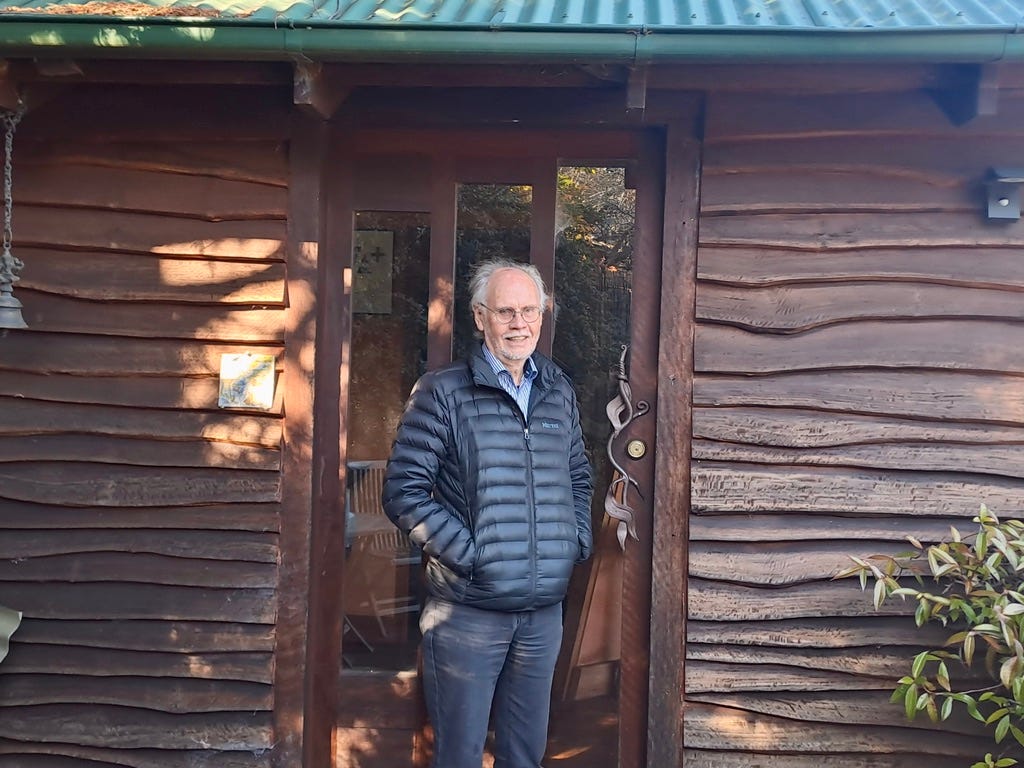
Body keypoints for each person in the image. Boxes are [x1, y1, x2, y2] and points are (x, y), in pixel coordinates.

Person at [382, 258, 594, 768]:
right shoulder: (443, 391)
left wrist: (573, 542)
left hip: (542, 613)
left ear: (542, 315)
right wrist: (474, 556)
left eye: (529, 311)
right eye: (505, 312)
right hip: (468, 613)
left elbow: (579, 476)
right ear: (480, 318)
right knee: (459, 755)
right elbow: (404, 491)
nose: (520, 323)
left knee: (525, 754)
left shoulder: (557, 390)